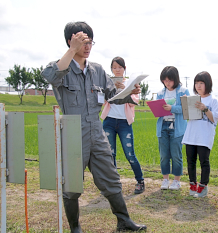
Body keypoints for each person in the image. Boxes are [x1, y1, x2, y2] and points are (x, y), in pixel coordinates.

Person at [41, 21, 146, 232]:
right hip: (72, 133)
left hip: (96, 132)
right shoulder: (60, 67)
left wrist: (129, 93)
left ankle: (123, 221)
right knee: (71, 185)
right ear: (71, 41)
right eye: (82, 41)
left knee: (111, 177)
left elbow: (112, 97)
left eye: (90, 42)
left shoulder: (97, 70)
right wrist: (71, 50)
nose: (87, 46)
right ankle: (75, 227)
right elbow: (50, 76)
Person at [101, 56, 145, 195]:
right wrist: (113, 89)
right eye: (114, 67)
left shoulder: (131, 84)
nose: (117, 70)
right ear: (111, 69)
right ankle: (113, 183)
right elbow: (103, 101)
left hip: (124, 122)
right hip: (109, 121)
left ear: (124, 69)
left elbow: (133, 103)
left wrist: (125, 89)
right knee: (110, 154)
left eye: (120, 67)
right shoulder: (107, 83)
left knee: (130, 154)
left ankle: (140, 181)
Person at [182, 71, 218, 198]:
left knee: (204, 161)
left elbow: (214, 119)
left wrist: (205, 109)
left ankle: (203, 187)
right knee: (190, 161)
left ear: (207, 84)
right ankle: (192, 185)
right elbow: (186, 115)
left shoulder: (213, 100)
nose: (198, 86)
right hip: (191, 134)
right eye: (196, 83)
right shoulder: (192, 99)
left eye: (201, 83)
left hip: (204, 136)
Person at [156, 66, 189, 190]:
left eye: (169, 80)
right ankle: (165, 179)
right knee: (164, 154)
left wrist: (172, 108)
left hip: (177, 126)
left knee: (176, 154)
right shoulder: (160, 93)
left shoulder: (183, 91)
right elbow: (158, 110)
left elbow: (187, 109)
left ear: (175, 79)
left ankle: (177, 181)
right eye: (164, 80)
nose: (167, 83)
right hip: (163, 125)